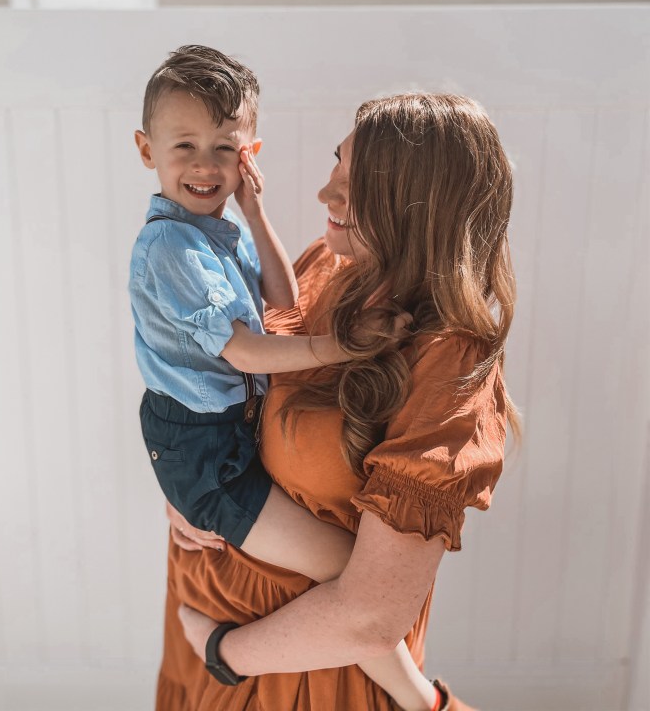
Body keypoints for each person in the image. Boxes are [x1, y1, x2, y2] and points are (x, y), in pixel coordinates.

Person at [160, 91, 519, 711]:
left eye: (361, 186)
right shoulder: (326, 264)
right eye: (338, 164)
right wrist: (188, 490)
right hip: (202, 623)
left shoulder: (452, 363)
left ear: (424, 206)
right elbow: (224, 392)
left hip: (296, 674)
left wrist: (223, 651)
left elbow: (370, 617)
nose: (326, 194)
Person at [129, 46, 445, 710]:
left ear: (249, 156)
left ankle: (413, 696)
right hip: (203, 444)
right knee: (343, 566)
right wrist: (340, 348)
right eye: (184, 146)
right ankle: (419, 698)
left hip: (216, 440)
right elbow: (247, 353)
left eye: (224, 148)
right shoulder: (172, 247)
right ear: (146, 149)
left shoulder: (221, 231)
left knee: (349, 572)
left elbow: (282, 301)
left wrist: (254, 211)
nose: (205, 165)